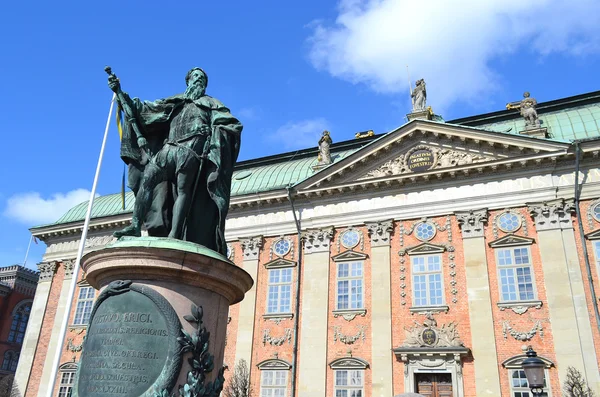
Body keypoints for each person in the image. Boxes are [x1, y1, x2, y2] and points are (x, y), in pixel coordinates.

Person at [108, 67, 242, 255]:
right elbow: (146, 110)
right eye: (195, 77)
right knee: (147, 180)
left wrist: (214, 134)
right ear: (188, 81)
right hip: (169, 147)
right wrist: (122, 94)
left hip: (192, 150)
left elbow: (231, 125)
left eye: (202, 78)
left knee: (183, 191)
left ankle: (175, 234)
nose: (199, 80)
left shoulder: (211, 103)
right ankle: (135, 225)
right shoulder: (175, 101)